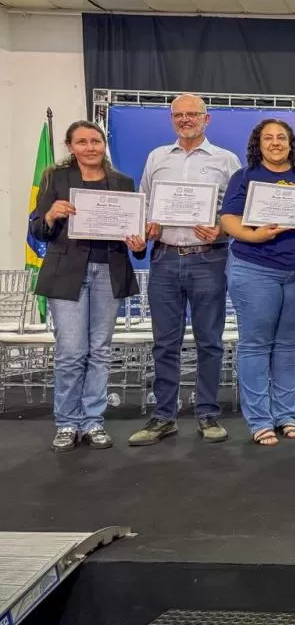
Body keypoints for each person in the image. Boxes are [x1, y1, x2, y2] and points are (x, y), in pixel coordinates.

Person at [128, 94, 242, 446]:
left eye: (193, 114)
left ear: (207, 120)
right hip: (163, 257)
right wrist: (142, 231)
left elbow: (236, 212)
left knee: (209, 342)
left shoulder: (226, 160)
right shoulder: (156, 158)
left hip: (209, 257)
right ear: (172, 119)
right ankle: (163, 416)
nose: (186, 119)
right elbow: (144, 204)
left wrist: (221, 230)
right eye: (179, 115)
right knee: (165, 344)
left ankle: (207, 415)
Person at [29, 121, 147, 452]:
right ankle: (67, 422)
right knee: (70, 352)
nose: (90, 147)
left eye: (95, 141)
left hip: (109, 271)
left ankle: (93, 421)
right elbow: (38, 230)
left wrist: (138, 243)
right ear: (70, 146)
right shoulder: (55, 179)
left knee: (100, 350)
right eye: (82, 142)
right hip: (66, 272)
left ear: (104, 144)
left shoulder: (122, 182)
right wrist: (51, 215)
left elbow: (135, 244)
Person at [219, 119, 295, 446]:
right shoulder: (244, 177)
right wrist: (253, 235)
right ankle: (260, 420)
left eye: (282, 138)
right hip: (254, 268)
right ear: (258, 144)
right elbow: (228, 219)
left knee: (289, 345)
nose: (275, 143)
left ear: (291, 143)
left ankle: (286, 415)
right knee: (256, 344)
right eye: (268, 138)